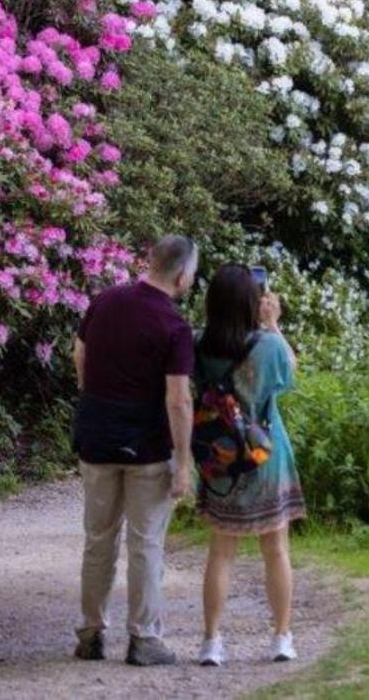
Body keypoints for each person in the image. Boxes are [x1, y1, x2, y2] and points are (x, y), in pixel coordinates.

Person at [70, 234, 198, 666]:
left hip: (97, 435)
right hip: (146, 444)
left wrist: (94, 394)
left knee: (98, 539)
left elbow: (80, 354)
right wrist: (184, 461)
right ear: (182, 276)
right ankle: (143, 638)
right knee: (146, 543)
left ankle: (90, 632)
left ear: (150, 261)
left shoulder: (104, 301)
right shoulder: (175, 327)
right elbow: (178, 399)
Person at [193, 265, 306, 666]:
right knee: (276, 549)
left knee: (220, 552)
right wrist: (274, 325)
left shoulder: (198, 345)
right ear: (252, 304)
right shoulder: (268, 346)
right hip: (265, 457)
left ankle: (211, 641)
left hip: (219, 457)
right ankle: (280, 637)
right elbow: (288, 376)